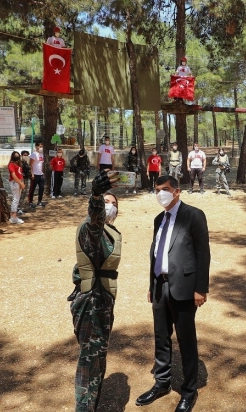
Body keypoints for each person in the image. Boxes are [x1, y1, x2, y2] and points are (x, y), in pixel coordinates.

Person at [135, 175, 210, 412]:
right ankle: (162, 382)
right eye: (157, 190)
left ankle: (189, 391)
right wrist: (151, 284)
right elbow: (156, 253)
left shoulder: (193, 215)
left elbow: (202, 254)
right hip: (160, 286)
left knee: (186, 340)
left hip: (185, 288)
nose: (160, 194)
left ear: (177, 191)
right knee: (161, 337)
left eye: (165, 189)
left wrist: (200, 288)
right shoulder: (159, 219)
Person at [68, 171, 121, 411]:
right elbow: (95, 223)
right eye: (107, 203)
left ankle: (92, 405)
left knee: (98, 359)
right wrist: (96, 197)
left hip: (102, 301)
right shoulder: (90, 228)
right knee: (89, 362)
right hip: (91, 302)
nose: (110, 207)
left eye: (114, 204)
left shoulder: (111, 232)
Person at [8, 152, 25, 224]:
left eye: (18, 155)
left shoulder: (18, 165)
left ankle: (14, 216)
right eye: (15, 156)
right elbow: (13, 175)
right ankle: (13, 217)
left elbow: (20, 175)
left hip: (19, 182)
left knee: (17, 199)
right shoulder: (11, 164)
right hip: (15, 183)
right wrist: (20, 183)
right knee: (15, 199)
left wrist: (22, 182)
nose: (17, 157)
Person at [29, 142, 46, 208]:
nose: (41, 147)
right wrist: (32, 173)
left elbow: (41, 164)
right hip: (35, 174)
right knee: (32, 188)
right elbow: (30, 165)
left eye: (42, 146)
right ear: (36, 147)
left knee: (41, 188)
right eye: (40, 146)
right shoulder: (34, 154)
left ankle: (39, 201)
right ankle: (30, 202)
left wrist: (43, 172)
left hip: (40, 174)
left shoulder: (42, 154)